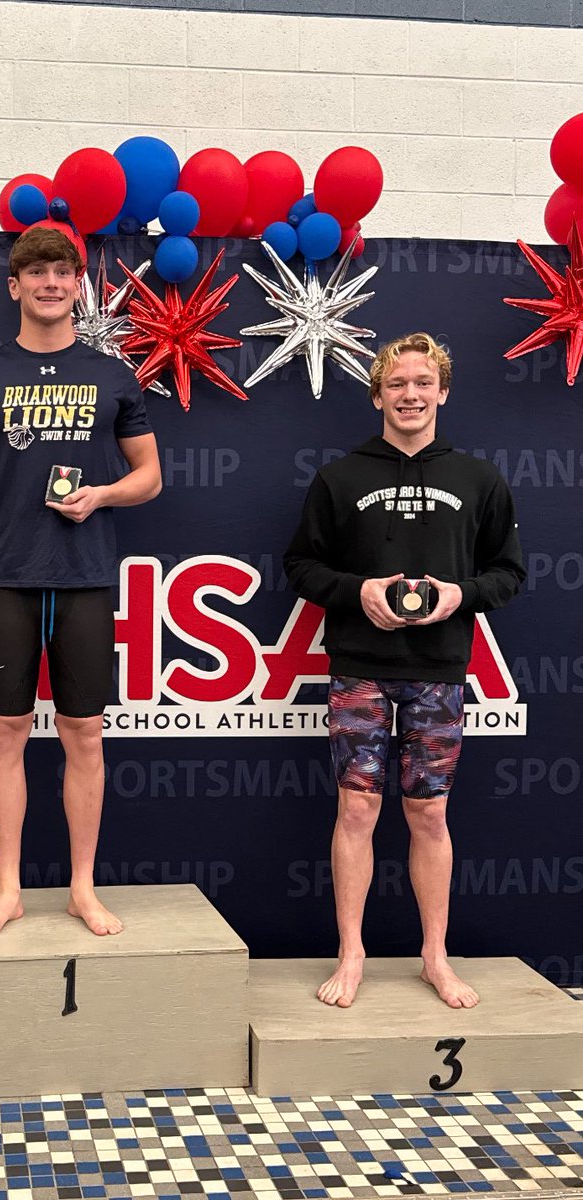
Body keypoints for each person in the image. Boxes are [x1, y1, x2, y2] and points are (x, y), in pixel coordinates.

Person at [284, 332, 524, 1009]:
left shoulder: (480, 480)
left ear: (442, 391)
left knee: (430, 813)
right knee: (356, 808)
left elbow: (508, 573)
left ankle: (434, 957)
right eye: (396, 384)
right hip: (359, 667)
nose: (410, 395)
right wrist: (356, 590)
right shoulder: (339, 478)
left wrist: (459, 595)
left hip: (439, 671)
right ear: (377, 396)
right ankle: (351, 953)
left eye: (422, 383)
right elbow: (299, 566)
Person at [0, 226, 162, 939]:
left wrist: (102, 496)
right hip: (5, 577)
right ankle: (8, 890)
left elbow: (150, 476)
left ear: (77, 287)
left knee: (84, 734)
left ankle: (81, 888)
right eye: (35, 272)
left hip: (84, 578)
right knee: (4, 733)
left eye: (63, 272)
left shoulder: (112, 375)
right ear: (15, 286)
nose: (50, 283)